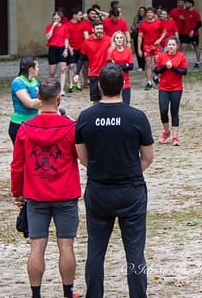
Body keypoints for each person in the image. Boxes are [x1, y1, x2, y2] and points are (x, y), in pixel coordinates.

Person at [76, 64, 155, 298]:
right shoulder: (137, 117)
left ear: (99, 86)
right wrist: (128, 170)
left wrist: (103, 169)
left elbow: (82, 158)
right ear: (123, 85)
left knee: (96, 250)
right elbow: (148, 157)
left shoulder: (86, 117)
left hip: (99, 190)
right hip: (131, 191)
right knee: (135, 252)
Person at [10, 78, 81, 298]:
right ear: (58, 99)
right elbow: (80, 156)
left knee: (37, 247)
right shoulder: (70, 128)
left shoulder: (25, 129)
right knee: (66, 246)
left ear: (38, 98)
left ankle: (36, 293)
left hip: (36, 194)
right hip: (65, 193)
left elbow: (17, 165)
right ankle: (68, 292)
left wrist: (17, 192)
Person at [154, 36, 188, 146]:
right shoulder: (162, 56)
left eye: (173, 45)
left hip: (176, 88)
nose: (171, 47)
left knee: (174, 111)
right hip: (163, 87)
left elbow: (184, 71)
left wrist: (172, 67)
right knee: (163, 110)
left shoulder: (181, 56)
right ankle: (166, 131)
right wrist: (165, 67)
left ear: (177, 46)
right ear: (166, 46)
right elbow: (157, 70)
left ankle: (175, 136)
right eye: (169, 45)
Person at [79, 20, 112, 105]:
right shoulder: (87, 42)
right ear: (93, 29)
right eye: (97, 28)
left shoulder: (109, 40)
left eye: (101, 28)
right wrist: (76, 73)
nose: (100, 30)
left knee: (107, 98)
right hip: (94, 74)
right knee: (95, 99)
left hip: (107, 73)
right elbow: (81, 59)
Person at [9, 56, 41, 142]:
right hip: (20, 124)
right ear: (31, 69)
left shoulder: (35, 81)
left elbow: (40, 99)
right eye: (37, 67)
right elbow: (29, 103)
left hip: (34, 123)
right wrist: (47, 102)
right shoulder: (18, 82)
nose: (38, 69)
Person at [137, 7, 166, 90]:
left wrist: (160, 39)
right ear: (146, 14)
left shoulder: (159, 22)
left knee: (159, 63)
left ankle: (156, 77)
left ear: (154, 14)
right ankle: (149, 82)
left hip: (156, 45)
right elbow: (140, 36)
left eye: (151, 12)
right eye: (148, 12)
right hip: (147, 46)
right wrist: (139, 49)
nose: (149, 14)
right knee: (148, 64)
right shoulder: (143, 24)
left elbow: (164, 32)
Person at [45, 11, 70, 95]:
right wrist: (53, 27)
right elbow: (48, 37)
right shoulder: (48, 26)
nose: (56, 20)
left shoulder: (64, 27)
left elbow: (66, 39)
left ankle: (61, 89)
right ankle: (51, 87)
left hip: (62, 48)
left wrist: (66, 49)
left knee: (63, 69)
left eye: (57, 18)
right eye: (54, 18)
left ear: (60, 19)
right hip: (52, 48)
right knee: (52, 71)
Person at [107, 30, 135, 105]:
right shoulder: (111, 51)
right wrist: (125, 65)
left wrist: (117, 65)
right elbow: (110, 66)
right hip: (115, 81)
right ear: (114, 40)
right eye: (117, 38)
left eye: (121, 38)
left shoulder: (128, 51)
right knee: (115, 104)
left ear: (123, 39)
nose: (119, 40)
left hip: (126, 81)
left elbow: (131, 66)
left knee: (126, 104)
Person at [66, 9, 86, 92]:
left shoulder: (82, 24)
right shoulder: (67, 25)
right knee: (71, 66)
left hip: (81, 48)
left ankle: (78, 82)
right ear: (74, 15)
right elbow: (66, 38)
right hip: (71, 48)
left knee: (80, 67)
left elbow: (85, 35)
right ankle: (71, 83)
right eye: (79, 15)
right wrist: (69, 47)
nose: (81, 17)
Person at [184, 0, 202, 68]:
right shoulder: (185, 12)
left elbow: (200, 24)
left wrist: (193, 30)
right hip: (185, 33)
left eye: (187, 3)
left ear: (191, 4)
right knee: (183, 47)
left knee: (196, 48)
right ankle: (182, 62)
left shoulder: (195, 13)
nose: (185, 5)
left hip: (194, 34)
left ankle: (198, 62)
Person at [131, 6, 147, 71]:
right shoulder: (136, 18)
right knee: (138, 51)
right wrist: (134, 27)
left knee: (144, 51)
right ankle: (140, 65)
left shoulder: (146, 19)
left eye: (142, 11)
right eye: (140, 11)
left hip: (144, 36)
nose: (141, 12)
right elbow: (133, 25)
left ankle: (144, 65)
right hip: (136, 36)